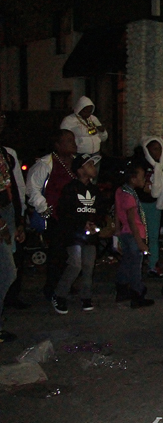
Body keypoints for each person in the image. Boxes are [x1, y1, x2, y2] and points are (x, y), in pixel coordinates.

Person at [26, 129, 78, 302]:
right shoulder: (45, 164)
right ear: (57, 145)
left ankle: (66, 285)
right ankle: (52, 287)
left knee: (72, 254)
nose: (73, 143)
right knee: (57, 254)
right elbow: (33, 188)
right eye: (68, 141)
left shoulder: (76, 163)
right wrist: (43, 207)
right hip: (55, 216)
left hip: (74, 216)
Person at [51, 154, 101, 313]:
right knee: (75, 264)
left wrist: (96, 223)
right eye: (89, 165)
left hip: (90, 234)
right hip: (74, 235)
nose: (93, 168)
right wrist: (80, 223)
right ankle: (59, 295)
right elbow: (64, 212)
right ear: (80, 170)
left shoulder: (94, 190)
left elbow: (100, 210)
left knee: (88, 265)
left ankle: (86, 296)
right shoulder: (70, 188)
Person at [0, 112, 26, 342]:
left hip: (7, 212)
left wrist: (18, 220)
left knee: (8, 272)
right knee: (6, 271)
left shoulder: (5, 154)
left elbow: (13, 190)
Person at [114, 163, 155, 309]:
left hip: (125, 233)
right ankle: (137, 294)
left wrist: (117, 232)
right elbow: (132, 220)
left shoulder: (121, 191)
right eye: (142, 177)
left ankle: (122, 289)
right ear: (133, 178)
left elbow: (117, 212)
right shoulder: (129, 195)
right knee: (135, 266)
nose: (144, 180)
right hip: (134, 234)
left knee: (126, 263)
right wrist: (140, 243)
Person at [135, 136, 163, 277]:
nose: (158, 152)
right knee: (140, 235)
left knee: (153, 236)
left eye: (160, 149)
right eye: (154, 149)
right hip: (141, 203)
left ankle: (153, 264)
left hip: (155, 203)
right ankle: (137, 264)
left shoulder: (162, 165)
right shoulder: (141, 165)